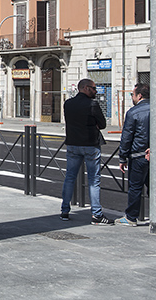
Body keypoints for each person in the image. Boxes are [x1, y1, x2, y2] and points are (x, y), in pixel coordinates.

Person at [115, 83, 156, 226]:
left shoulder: (133, 112)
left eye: (132, 95)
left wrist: (122, 157)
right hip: (155, 155)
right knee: (154, 186)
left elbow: (127, 137)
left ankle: (131, 217)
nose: (132, 97)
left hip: (138, 155)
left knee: (135, 187)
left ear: (139, 95)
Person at [60, 78, 113, 225]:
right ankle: (96, 214)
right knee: (94, 180)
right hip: (90, 144)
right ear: (85, 88)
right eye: (94, 88)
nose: (96, 91)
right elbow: (102, 124)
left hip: (72, 144)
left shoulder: (68, 104)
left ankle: (65, 210)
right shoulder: (92, 104)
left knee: (70, 177)